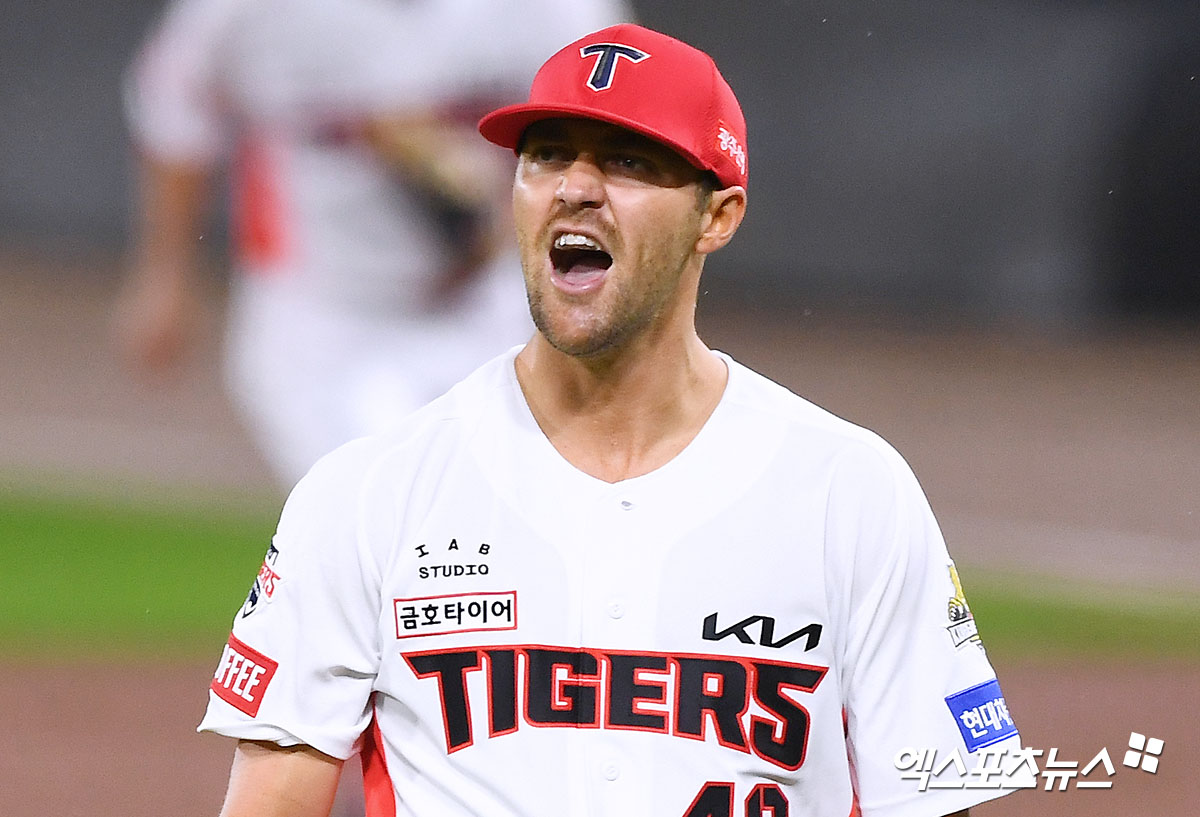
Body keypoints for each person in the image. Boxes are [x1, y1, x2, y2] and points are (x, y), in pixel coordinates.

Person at [199, 23, 1031, 817]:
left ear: (718, 215)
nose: (576, 186)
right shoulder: (367, 492)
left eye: (629, 161)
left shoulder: (849, 492)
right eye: (547, 155)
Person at [113, 0, 631, 488]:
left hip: (491, 304)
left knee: (504, 515)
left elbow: (617, 131)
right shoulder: (248, 12)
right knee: (368, 517)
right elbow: (175, 111)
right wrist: (164, 277)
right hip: (315, 315)